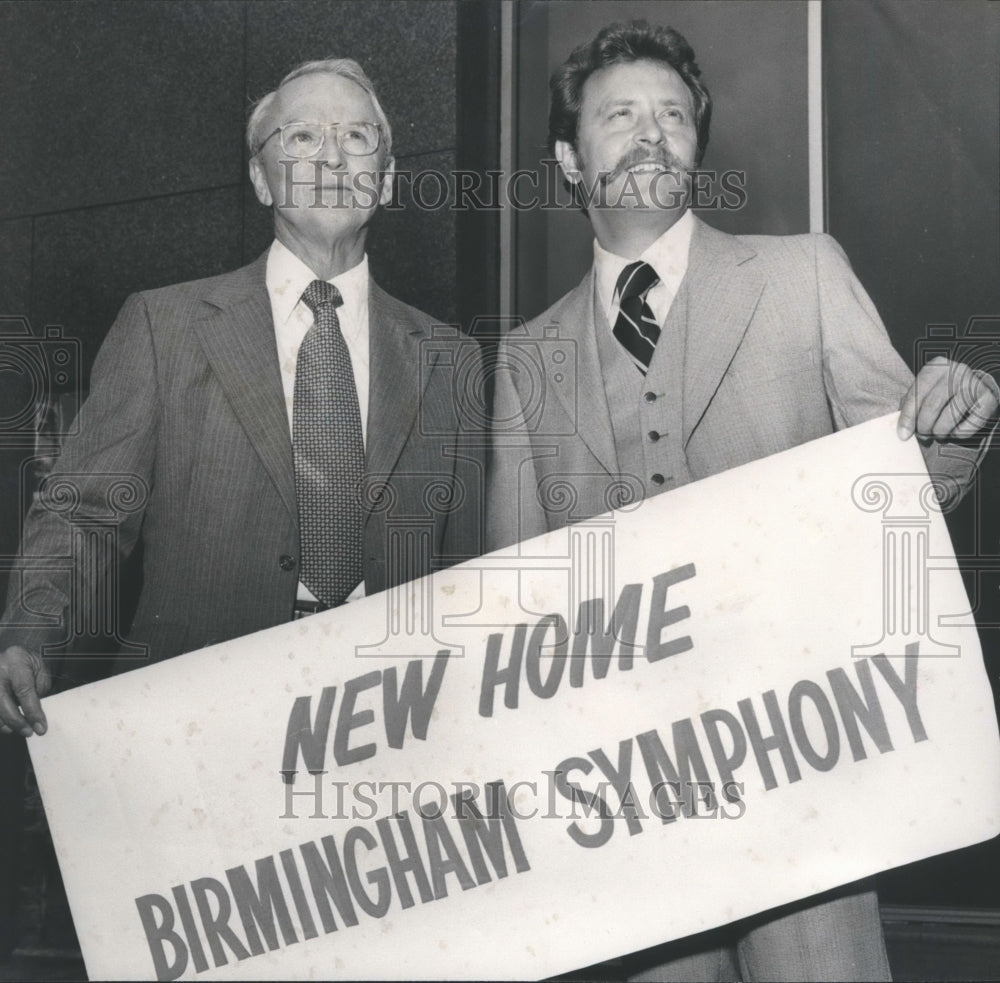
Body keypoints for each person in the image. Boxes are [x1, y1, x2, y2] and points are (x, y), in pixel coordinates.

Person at [487, 21, 997, 983]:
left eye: (671, 115)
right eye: (620, 115)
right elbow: (515, 613)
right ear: (567, 156)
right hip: (629, 822)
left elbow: (905, 495)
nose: (650, 133)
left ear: (695, 145)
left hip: (810, 785)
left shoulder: (804, 273)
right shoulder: (525, 357)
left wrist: (952, 428)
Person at [0, 57, 483, 738]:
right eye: (302, 138)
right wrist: (30, 634)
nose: (332, 157)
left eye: (356, 137)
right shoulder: (163, 327)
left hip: (395, 732)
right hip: (199, 726)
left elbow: (464, 575)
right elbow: (85, 516)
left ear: (389, 177)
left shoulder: (449, 358)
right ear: (260, 177)